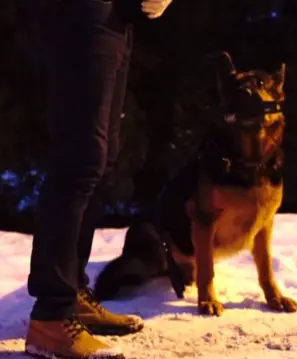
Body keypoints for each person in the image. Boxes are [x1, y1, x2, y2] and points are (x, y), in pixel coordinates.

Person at [25, 0, 173, 358]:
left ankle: (72, 294)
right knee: (79, 160)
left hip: (118, 16)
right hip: (83, 11)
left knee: (101, 160)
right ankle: (52, 316)